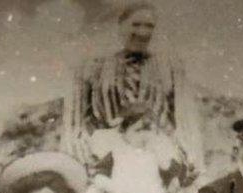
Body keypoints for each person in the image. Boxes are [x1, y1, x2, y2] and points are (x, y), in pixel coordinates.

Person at [64, 1, 203, 176]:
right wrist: (84, 162)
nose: (143, 32)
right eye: (136, 24)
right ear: (121, 27)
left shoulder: (169, 69)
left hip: (156, 158)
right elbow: (76, 125)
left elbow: (184, 122)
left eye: (149, 26)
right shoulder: (93, 66)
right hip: (104, 158)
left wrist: (184, 162)